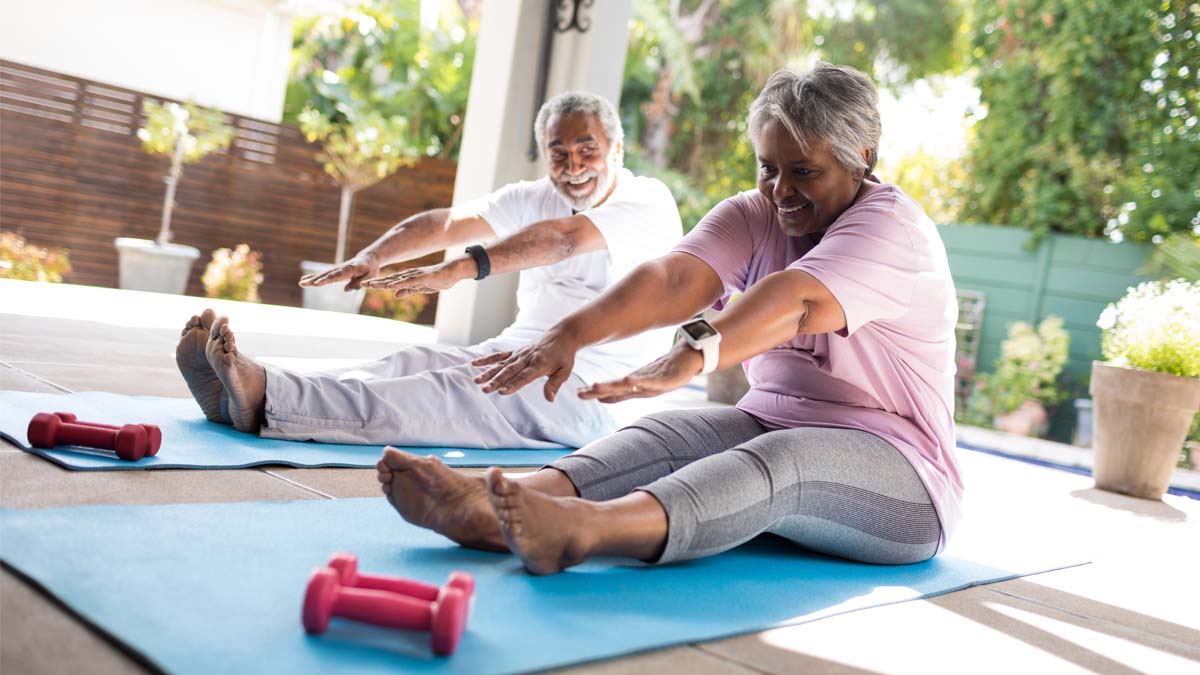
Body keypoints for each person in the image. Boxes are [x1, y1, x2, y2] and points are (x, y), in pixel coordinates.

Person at [377, 63, 963, 574]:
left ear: (862, 158)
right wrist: (567, 337)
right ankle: (492, 506)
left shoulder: (891, 229)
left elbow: (797, 300)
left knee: (780, 462)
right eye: (768, 168)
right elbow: (675, 279)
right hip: (775, 421)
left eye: (803, 172)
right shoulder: (757, 213)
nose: (780, 189)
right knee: (667, 432)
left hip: (903, 479)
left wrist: (691, 353)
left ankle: (581, 532)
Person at [174, 91, 682, 449]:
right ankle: (245, 395)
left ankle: (268, 397)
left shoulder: (648, 201)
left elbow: (565, 240)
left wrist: (466, 268)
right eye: (560, 153)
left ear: (616, 149)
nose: (574, 166)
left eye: (588, 150)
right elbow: (447, 223)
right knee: (410, 364)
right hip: (517, 352)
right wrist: (374, 256)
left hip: (594, 391)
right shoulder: (536, 196)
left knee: (443, 394)